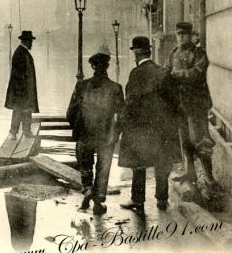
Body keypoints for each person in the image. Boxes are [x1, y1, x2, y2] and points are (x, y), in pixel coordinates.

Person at [119, 36, 181, 212]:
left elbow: (130, 102)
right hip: (162, 127)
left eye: (134, 52)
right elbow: (174, 101)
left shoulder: (136, 74)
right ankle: (162, 199)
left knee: (138, 164)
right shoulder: (163, 72)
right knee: (161, 161)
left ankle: (137, 200)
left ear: (137, 53)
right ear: (149, 51)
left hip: (141, 128)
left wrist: (124, 123)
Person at [67, 46, 124, 215]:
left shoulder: (82, 86)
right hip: (107, 135)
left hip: (85, 133)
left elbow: (70, 112)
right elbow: (122, 115)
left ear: (92, 67)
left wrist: (77, 129)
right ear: (107, 67)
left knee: (85, 164)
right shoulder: (116, 88)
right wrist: (116, 133)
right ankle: (98, 202)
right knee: (103, 167)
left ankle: (87, 189)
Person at [164, 22, 217, 186]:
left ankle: (209, 176)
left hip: (196, 104)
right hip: (180, 104)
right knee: (185, 140)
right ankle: (190, 173)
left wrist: (176, 75)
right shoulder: (173, 53)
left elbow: (197, 73)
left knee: (200, 139)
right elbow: (166, 71)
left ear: (190, 35)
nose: (180, 37)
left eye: (184, 34)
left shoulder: (199, 53)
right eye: (178, 34)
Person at [5, 30, 39, 139]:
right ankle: (14, 132)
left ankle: (25, 131)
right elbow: (18, 75)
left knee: (24, 110)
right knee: (19, 111)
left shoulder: (22, 52)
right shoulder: (20, 53)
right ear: (26, 41)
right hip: (21, 90)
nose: (31, 44)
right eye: (30, 42)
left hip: (24, 90)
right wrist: (22, 91)